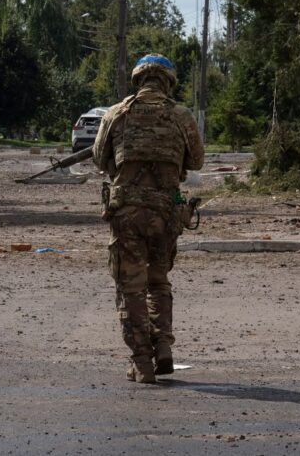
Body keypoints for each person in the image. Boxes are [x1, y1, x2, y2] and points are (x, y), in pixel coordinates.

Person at [93, 53, 204, 384]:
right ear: (168, 81)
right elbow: (196, 161)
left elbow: (100, 157)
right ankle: (164, 346)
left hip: (126, 213)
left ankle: (142, 360)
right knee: (158, 281)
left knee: (131, 287)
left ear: (138, 79)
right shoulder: (180, 116)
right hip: (165, 214)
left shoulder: (116, 113)